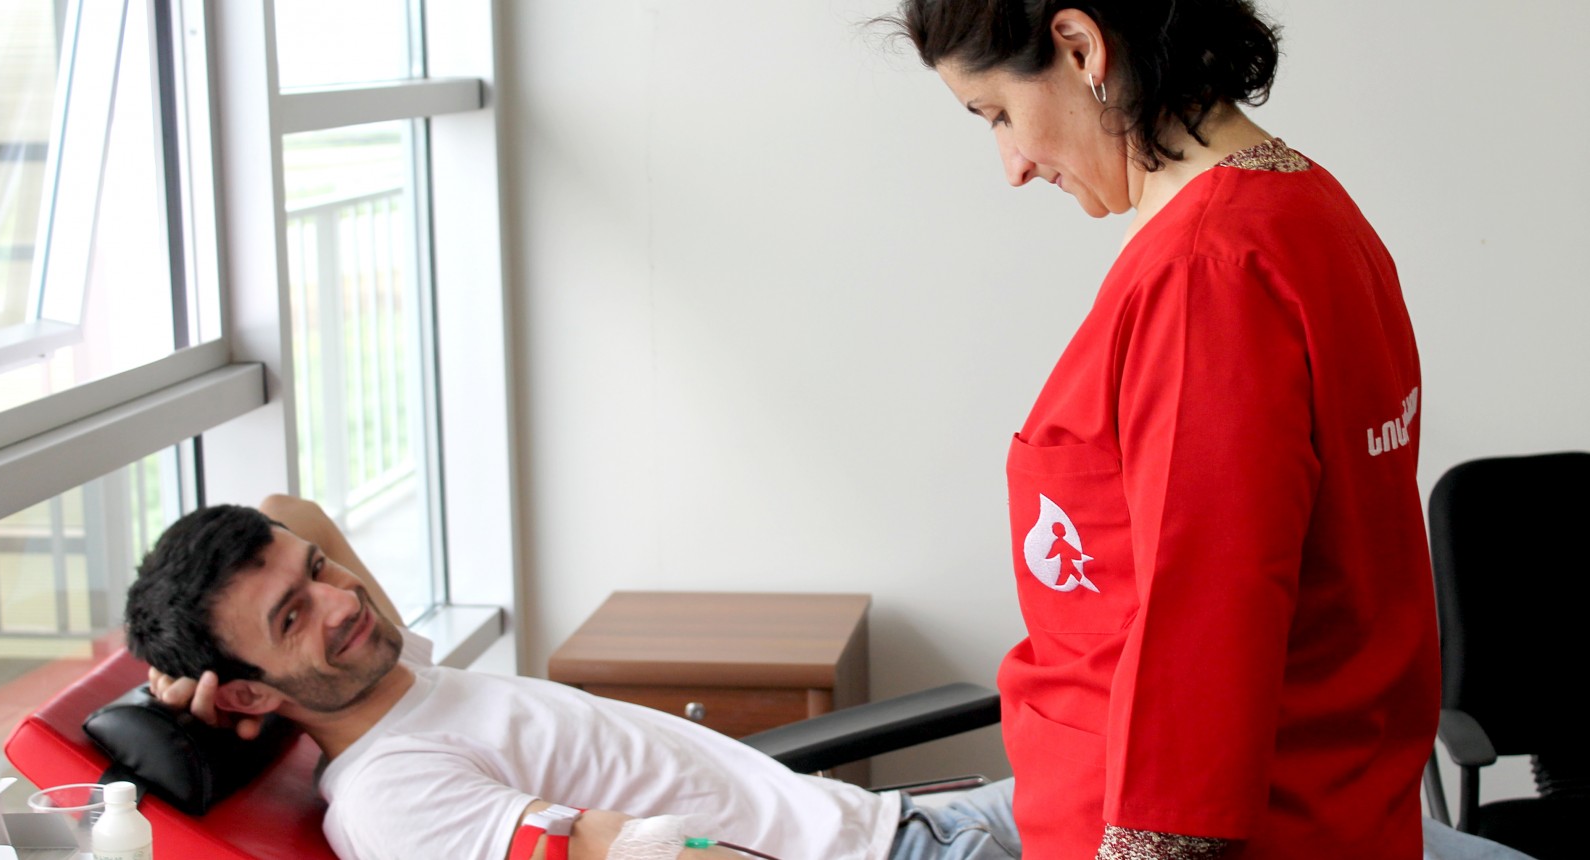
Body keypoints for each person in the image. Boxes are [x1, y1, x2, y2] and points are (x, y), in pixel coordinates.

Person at [887, 2, 1445, 859]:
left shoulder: (1206, 276)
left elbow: (1206, 628)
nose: (1013, 165)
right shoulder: (1310, 213)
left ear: (1080, 48)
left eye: (997, 113)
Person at [123, 495, 1022, 860]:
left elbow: (291, 513)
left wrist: (201, 671)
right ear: (249, 691)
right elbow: (636, 856)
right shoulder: (394, 795)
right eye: (291, 617)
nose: (339, 600)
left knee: (1115, 776)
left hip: (894, 821)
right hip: (892, 856)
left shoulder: (389, 675)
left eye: (316, 571)